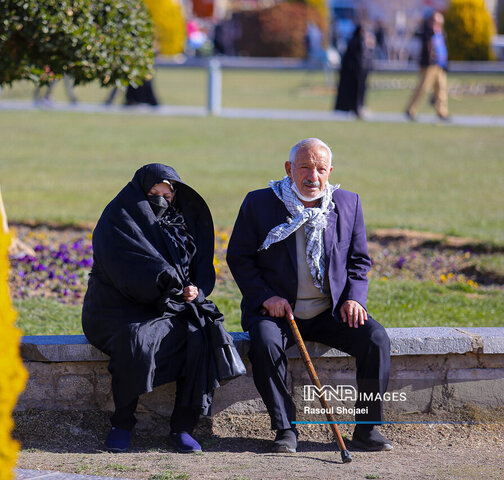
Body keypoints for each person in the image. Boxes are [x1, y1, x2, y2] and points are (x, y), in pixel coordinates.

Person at [226, 138, 393, 454]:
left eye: (320, 169)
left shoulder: (346, 203)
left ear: (330, 171)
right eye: (304, 167)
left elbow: (358, 260)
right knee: (264, 342)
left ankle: (368, 430)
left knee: (376, 340)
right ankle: (285, 429)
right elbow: (239, 257)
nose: (312, 176)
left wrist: (354, 298)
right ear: (289, 169)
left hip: (331, 311)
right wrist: (266, 297)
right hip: (277, 310)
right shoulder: (259, 203)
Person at [82, 163, 232, 454]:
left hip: (171, 305)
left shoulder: (180, 220)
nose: (161, 200)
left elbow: (196, 265)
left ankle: (182, 428)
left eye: (168, 194)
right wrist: (165, 280)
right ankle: (122, 423)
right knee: (135, 340)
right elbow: (126, 266)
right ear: (140, 193)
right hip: (119, 308)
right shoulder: (118, 218)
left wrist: (194, 289)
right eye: (154, 193)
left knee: (199, 333)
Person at [405, 12, 449, 121]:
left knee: (441, 89)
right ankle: (411, 109)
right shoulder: (427, 32)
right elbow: (422, 43)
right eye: (436, 21)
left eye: (440, 22)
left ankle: (442, 112)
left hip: (440, 66)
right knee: (423, 88)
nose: (438, 24)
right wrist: (430, 31)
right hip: (429, 66)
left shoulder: (441, 33)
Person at [334, 25, 375, 118]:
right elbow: (360, 58)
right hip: (356, 73)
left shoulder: (354, 41)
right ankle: (357, 107)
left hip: (355, 73)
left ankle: (355, 107)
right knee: (356, 92)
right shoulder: (358, 41)